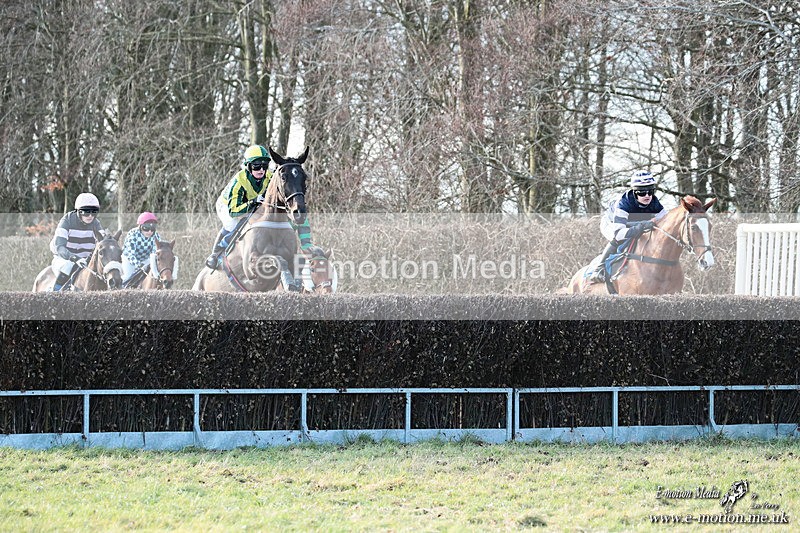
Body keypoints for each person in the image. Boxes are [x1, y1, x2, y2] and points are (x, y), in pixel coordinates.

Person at [205, 144, 316, 269]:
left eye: (264, 166)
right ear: (248, 166)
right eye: (256, 166)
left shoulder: (269, 177)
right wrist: (253, 202)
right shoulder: (239, 182)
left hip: (255, 204)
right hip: (229, 206)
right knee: (234, 223)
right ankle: (215, 253)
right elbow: (234, 211)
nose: (261, 170)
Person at [588, 171, 668, 283]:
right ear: (634, 192)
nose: (647, 196)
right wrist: (643, 225)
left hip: (632, 223)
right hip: (612, 223)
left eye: (650, 192)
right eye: (642, 193)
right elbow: (619, 233)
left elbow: (666, 222)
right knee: (619, 238)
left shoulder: (655, 203)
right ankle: (598, 269)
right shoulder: (624, 203)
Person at [49, 192, 104, 291]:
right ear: (78, 211)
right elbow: (60, 247)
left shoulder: (96, 223)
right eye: (86, 212)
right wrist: (74, 258)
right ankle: (55, 295)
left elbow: (103, 243)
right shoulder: (67, 220)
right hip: (65, 259)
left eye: (94, 212)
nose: (90, 216)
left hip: (85, 261)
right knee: (68, 266)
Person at [121, 211, 162, 287]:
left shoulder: (156, 236)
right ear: (140, 226)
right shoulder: (133, 234)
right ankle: (118, 290)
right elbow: (131, 254)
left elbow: (154, 254)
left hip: (145, 259)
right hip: (129, 260)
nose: (149, 232)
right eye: (146, 228)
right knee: (127, 276)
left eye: (152, 229)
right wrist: (138, 265)